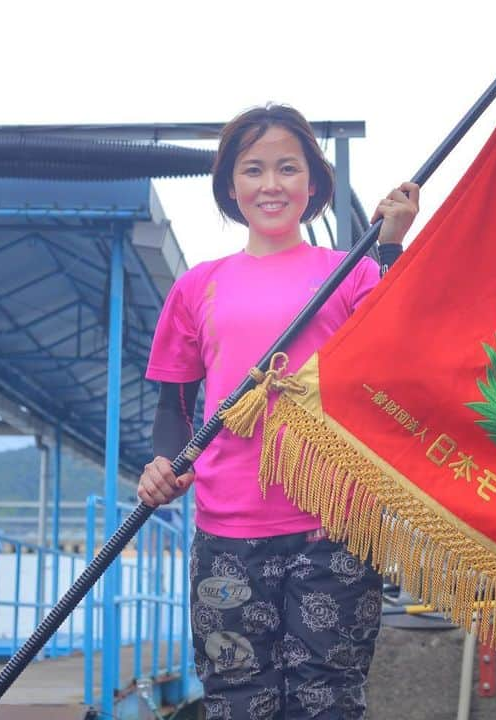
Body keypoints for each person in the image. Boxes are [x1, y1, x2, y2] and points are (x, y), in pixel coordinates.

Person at [137, 104, 419, 720]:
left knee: (329, 700)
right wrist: (164, 463)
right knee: (236, 699)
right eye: (253, 169)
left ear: (312, 184)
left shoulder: (350, 273)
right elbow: (177, 403)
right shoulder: (198, 286)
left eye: (287, 168)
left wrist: (392, 244)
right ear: (230, 187)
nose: (271, 184)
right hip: (226, 534)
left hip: (336, 526)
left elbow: (395, 352)